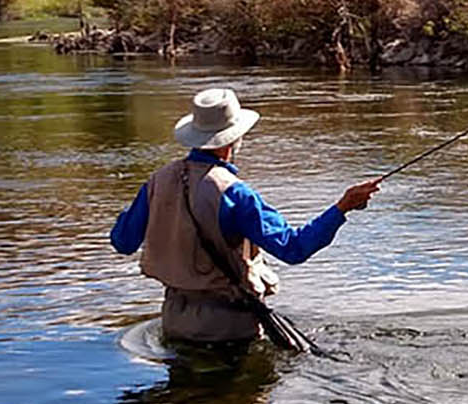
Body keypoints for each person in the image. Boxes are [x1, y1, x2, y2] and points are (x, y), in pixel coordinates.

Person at [111, 87, 380, 349]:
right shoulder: (234, 193)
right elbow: (294, 248)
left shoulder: (156, 182)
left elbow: (122, 242)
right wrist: (342, 207)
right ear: (232, 140)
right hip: (228, 329)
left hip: (174, 322)